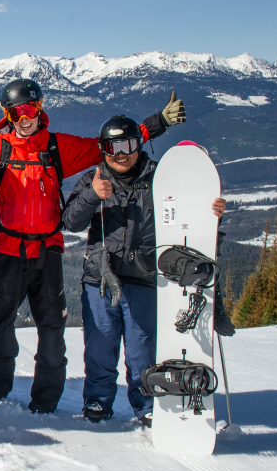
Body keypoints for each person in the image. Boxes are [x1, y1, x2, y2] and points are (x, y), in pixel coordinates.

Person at [0, 81, 184, 414]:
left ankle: (46, 398)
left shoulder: (58, 147)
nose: (24, 117)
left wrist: (158, 122)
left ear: (40, 109)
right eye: (17, 111)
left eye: (30, 109)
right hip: (7, 250)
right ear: (8, 115)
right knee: (1, 325)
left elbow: (112, 146)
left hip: (48, 252)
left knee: (52, 329)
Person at [63, 116, 227, 426]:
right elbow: (71, 221)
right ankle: (98, 402)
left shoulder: (159, 179)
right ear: (103, 149)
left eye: (127, 145)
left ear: (139, 145)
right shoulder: (93, 179)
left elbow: (189, 215)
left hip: (144, 278)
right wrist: (92, 195)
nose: (120, 154)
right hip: (100, 277)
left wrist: (213, 211)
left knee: (142, 349)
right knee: (100, 346)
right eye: (111, 147)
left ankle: (146, 403)